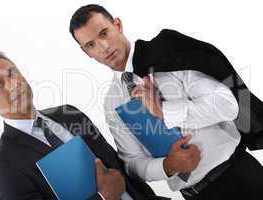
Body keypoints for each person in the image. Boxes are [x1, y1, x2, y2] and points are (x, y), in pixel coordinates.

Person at [69, 4, 263, 200]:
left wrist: (163, 111)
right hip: (195, 195)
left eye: (104, 33)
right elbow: (132, 162)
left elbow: (228, 105)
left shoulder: (167, 54)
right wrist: (168, 166)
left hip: (241, 178)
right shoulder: (112, 102)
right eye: (91, 45)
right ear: (87, 53)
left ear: (117, 25)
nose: (103, 47)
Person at [0, 51, 170, 200]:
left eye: (12, 73)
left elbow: (118, 165)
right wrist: (105, 197)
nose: (12, 84)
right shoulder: (2, 165)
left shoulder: (70, 114)